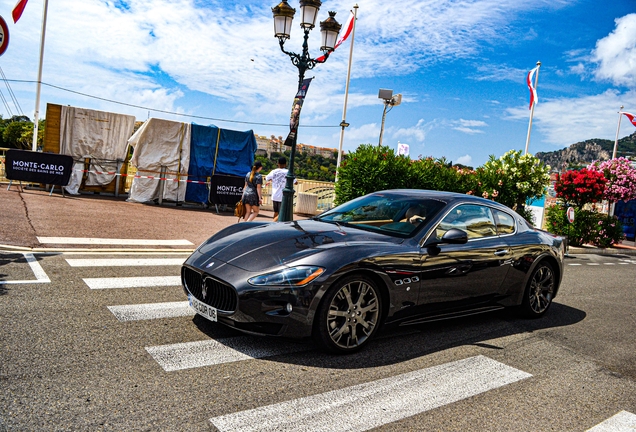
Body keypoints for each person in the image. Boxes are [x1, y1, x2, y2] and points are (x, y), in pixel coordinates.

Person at [265, 157, 296, 222]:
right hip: (282, 196)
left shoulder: (274, 171)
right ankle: (273, 223)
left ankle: (274, 224)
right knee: (282, 213)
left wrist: (272, 179)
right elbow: (295, 182)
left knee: (276, 212)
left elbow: (266, 178)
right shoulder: (287, 172)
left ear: (278, 164)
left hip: (274, 195)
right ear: (285, 164)